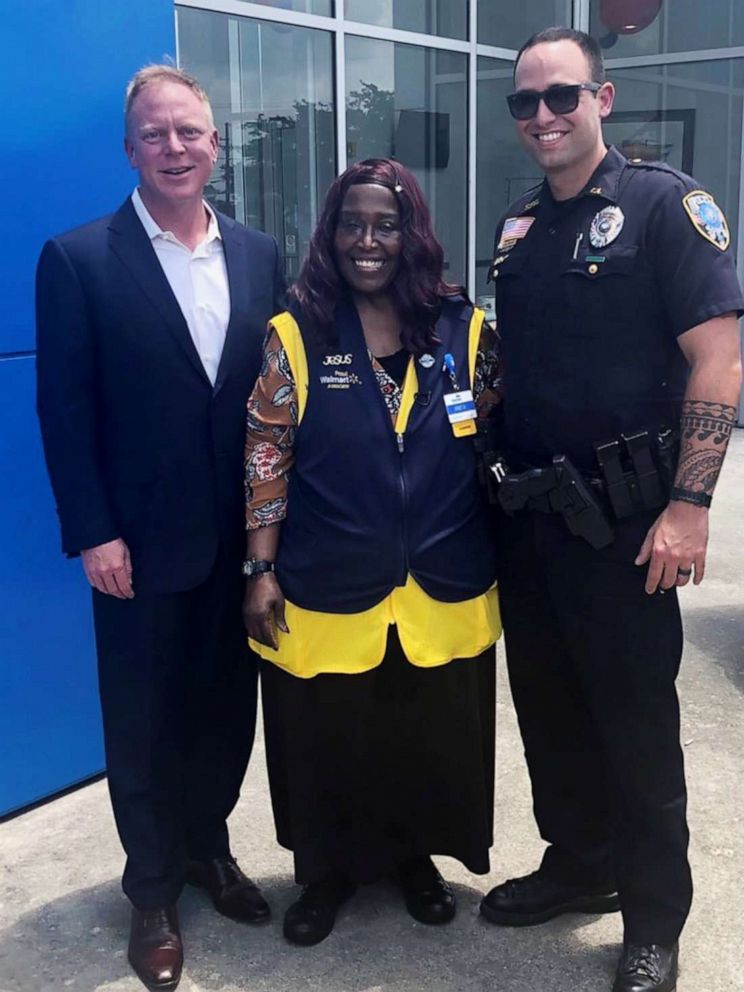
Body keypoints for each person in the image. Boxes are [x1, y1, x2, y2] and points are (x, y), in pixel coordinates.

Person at [479, 27, 744, 992]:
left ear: (605, 98)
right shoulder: (518, 229)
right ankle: (578, 864)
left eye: (563, 96)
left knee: (635, 726)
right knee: (549, 711)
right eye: (526, 102)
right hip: (533, 519)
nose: (544, 116)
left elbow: (720, 362)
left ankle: (651, 920)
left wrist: (691, 506)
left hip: (630, 526)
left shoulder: (665, 208)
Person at [36, 65, 285, 992]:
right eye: (156, 134)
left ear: (216, 145)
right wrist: (93, 532)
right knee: (142, 723)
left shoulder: (260, 254)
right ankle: (152, 892)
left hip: (245, 547)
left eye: (191, 133)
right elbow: (64, 411)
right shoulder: (80, 258)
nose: (175, 149)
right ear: (130, 148)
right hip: (137, 547)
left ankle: (208, 851)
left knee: (226, 713)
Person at [242, 158, 501, 946]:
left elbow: (492, 435)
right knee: (329, 737)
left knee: (425, 736)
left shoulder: (463, 327)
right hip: (329, 581)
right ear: (330, 232)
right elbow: (266, 455)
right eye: (352, 223)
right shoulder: (298, 330)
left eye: (385, 224)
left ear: (411, 232)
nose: (368, 240)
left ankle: (414, 861)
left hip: (442, 581)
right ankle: (326, 875)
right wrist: (260, 568)